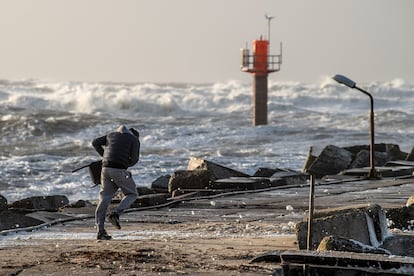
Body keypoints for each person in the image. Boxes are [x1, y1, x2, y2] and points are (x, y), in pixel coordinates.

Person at [92, 125, 140, 240]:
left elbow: (95, 142)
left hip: (105, 169)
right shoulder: (134, 140)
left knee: (104, 198)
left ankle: (100, 231)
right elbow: (134, 159)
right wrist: (125, 163)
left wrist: (104, 155)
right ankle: (116, 213)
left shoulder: (111, 135)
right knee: (132, 194)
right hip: (119, 170)